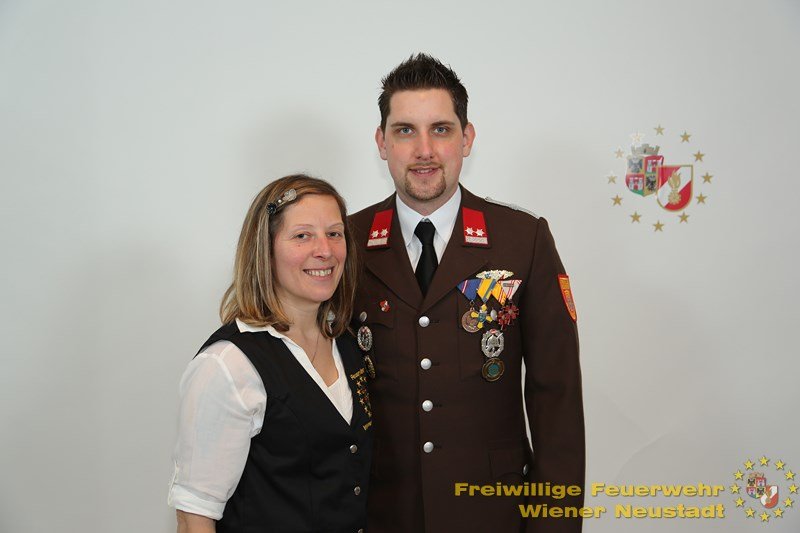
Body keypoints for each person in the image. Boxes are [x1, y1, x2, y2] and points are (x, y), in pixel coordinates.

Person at [349, 54, 585, 532]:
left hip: (492, 514)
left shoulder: (523, 240)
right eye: (404, 131)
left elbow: (555, 399)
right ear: (381, 143)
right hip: (380, 515)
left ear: (467, 138)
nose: (424, 150)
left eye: (441, 129)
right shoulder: (347, 242)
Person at [168, 175, 372, 533]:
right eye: (302, 236)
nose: (324, 250)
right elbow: (194, 517)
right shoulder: (229, 365)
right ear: (266, 249)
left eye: (334, 233)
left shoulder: (348, 341)